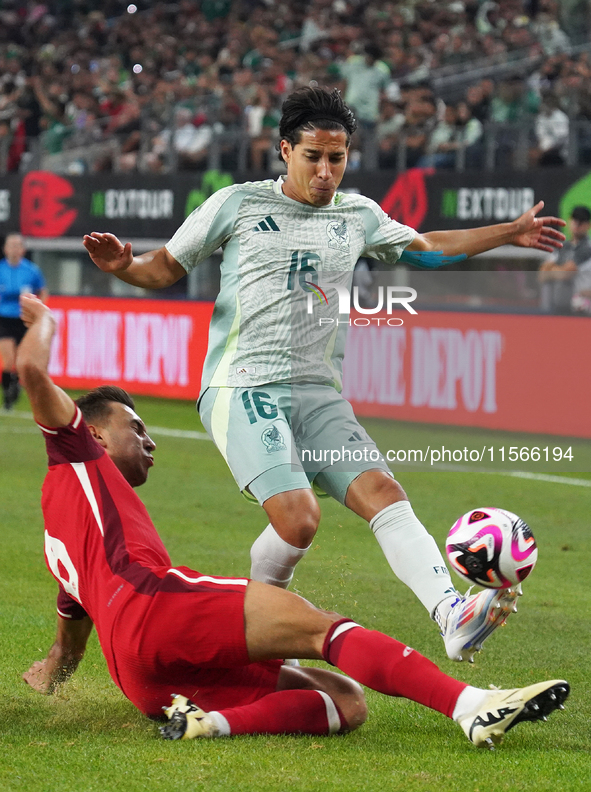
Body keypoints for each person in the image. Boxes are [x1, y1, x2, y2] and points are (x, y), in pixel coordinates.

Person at [82, 86, 565, 665]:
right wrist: (123, 267)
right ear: (285, 150)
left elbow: (426, 248)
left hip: (318, 390)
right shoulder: (235, 205)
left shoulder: (357, 215)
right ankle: (257, 632)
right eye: (313, 156)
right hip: (243, 384)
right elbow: (163, 268)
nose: (326, 171)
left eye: (337, 158)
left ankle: (450, 616)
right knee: (298, 518)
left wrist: (506, 235)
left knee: (384, 493)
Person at [18, 294, 569, 748]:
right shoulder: (74, 452)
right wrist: (46, 320)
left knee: (343, 701)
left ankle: (211, 724)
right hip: (157, 607)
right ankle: (472, 705)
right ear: (92, 435)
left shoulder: (58, 527)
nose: (149, 439)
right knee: (324, 628)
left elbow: (71, 633)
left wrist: (52, 672)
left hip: (140, 677)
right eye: (135, 428)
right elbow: (30, 369)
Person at [0, 232, 47, 410]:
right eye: (10, 245)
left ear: (23, 249)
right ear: (4, 249)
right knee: (8, 359)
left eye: (17, 245)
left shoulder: (31, 271)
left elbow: (42, 291)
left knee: (21, 360)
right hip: (4, 318)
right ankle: (7, 396)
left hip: (24, 319)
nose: (13, 249)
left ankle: (16, 384)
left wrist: (39, 310)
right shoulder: (1, 269)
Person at [539, 205, 591, 313]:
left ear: (588, 225)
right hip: (559, 303)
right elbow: (542, 274)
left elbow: (566, 274)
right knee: (547, 286)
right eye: (575, 219)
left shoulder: (587, 248)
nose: (577, 223)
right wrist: (559, 271)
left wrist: (554, 270)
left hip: (583, 305)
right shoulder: (562, 247)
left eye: (581, 221)